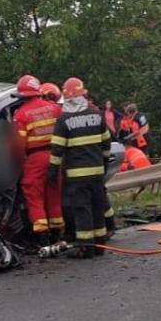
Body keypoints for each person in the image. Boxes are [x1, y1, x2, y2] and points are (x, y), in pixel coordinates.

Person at [49, 77, 111, 258]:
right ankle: (100, 245)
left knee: (82, 209)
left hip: (77, 175)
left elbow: (57, 150)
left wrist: (52, 172)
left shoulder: (63, 120)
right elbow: (106, 144)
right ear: (83, 95)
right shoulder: (97, 115)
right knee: (97, 207)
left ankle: (85, 247)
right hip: (97, 172)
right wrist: (104, 164)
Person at [13, 75, 64, 246]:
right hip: (57, 157)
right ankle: (57, 233)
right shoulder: (55, 109)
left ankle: (42, 238)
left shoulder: (21, 114)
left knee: (34, 195)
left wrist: (16, 162)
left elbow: (19, 146)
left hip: (35, 159)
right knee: (54, 194)